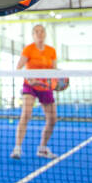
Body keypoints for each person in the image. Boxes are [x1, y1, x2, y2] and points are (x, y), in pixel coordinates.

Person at [10, 24, 58, 160]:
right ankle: (17, 148)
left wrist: (54, 82)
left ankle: (42, 148)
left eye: (42, 31)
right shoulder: (28, 49)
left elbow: (55, 70)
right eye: (36, 32)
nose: (39, 34)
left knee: (53, 119)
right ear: (33, 34)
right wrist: (30, 79)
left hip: (45, 87)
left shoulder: (51, 51)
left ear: (45, 34)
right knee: (26, 114)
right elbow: (19, 67)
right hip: (30, 86)